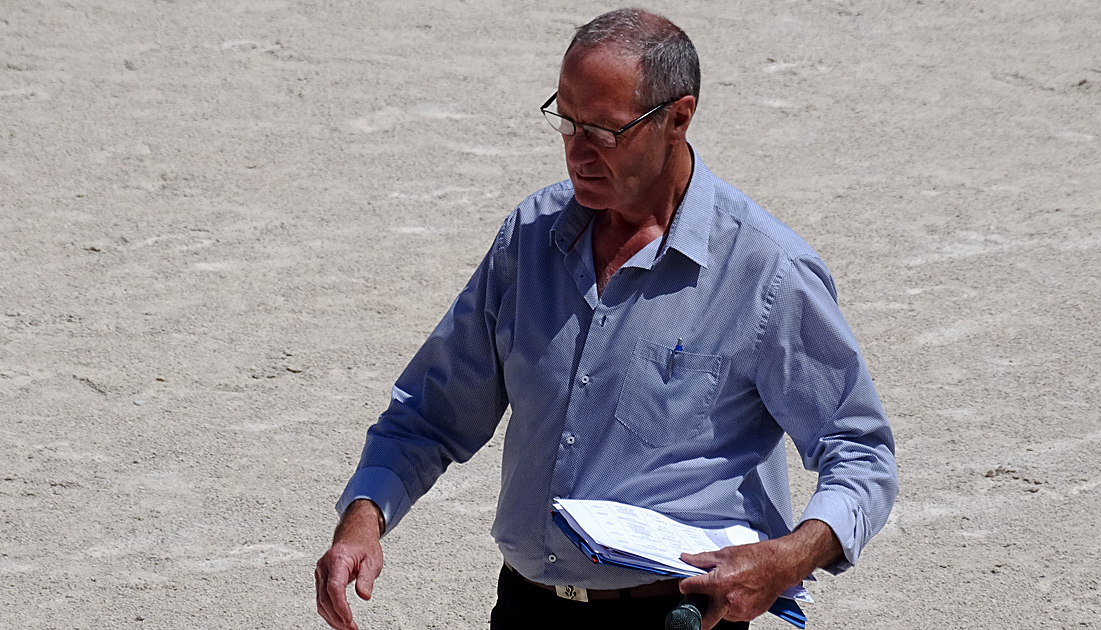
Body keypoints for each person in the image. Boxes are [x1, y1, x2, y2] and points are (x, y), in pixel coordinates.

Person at [315, 8, 897, 630]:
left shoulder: (767, 270)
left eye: (603, 131)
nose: (577, 152)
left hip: (679, 617)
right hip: (527, 609)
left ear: (678, 117)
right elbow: (431, 413)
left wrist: (786, 558)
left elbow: (861, 455)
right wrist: (362, 520)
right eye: (567, 122)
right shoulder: (530, 239)